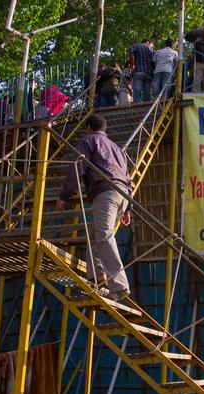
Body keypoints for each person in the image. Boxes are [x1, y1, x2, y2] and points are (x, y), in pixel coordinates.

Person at [56, 114, 132, 302]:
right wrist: (128, 208)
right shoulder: (117, 148)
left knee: (104, 234)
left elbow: (77, 168)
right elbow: (128, 178)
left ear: (89, 128)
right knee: (94, 236)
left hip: (105, 192)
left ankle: (120, 285)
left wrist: (65, 195)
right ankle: (98, 277)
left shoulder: (88, 141)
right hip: (122, 194)